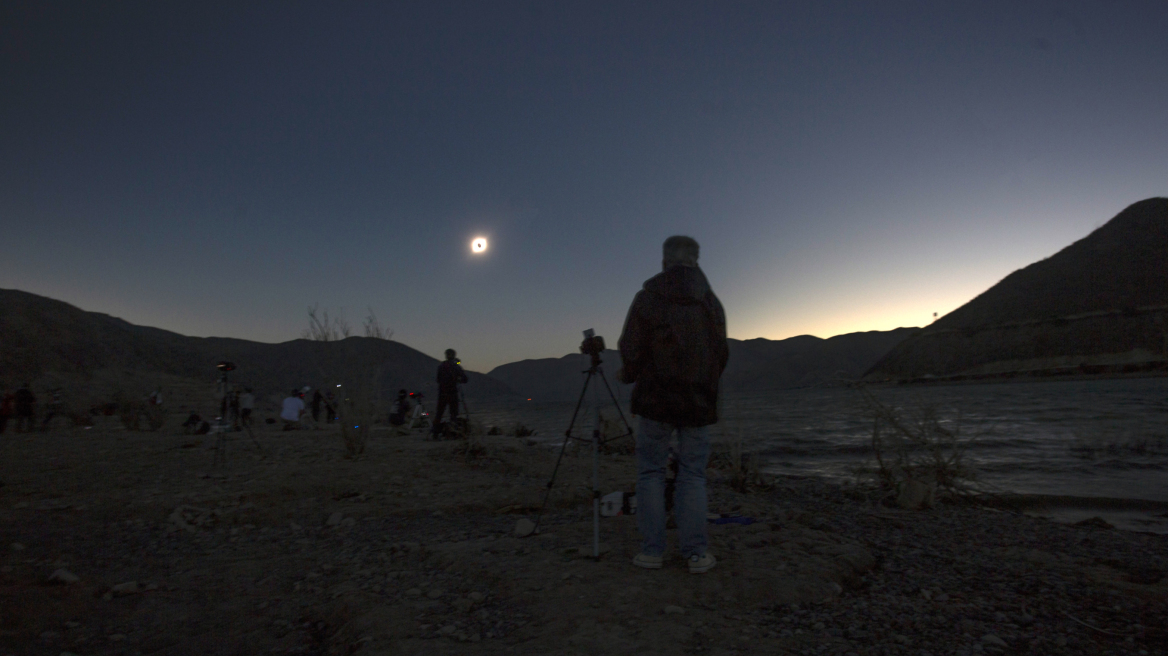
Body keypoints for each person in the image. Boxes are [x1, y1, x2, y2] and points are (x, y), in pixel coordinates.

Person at [617, 235, 729, 574]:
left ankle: (652, 552)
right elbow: (720, 354)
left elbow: (630, 347)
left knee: (650, 473)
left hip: (654, 400)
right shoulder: (710, 303)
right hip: (697, 402)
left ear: (664, 261)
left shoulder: (647, 299)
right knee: (693, 476)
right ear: (696, 260)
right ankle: (696, 553)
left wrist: (630, 374)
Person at [431, 349, 468, 438]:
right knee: (453, 414)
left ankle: (435, 434)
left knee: (439, 413)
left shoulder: (441, 366)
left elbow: (438, 380)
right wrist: (457, 378)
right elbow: (465, 379)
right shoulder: (456, 366)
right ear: (454, 355)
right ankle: (452, 432)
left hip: (442, 394)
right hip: (452, 393)